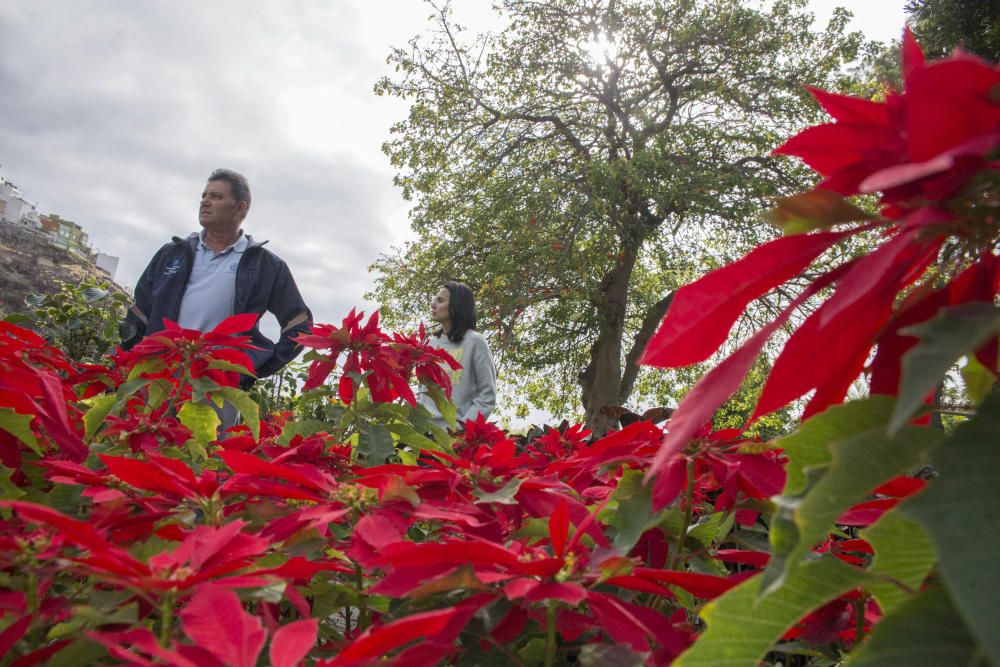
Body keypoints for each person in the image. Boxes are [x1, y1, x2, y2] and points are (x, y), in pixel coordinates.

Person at [121, 168, 311, 417]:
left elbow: (300, 325)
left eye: (216, 196)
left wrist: (251, 368)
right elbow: (139, 314)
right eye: (203, 196)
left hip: (219, 385)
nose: (205, 202)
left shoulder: (266, 265)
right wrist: (135, 361)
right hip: (158, 378)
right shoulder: (172, 253)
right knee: (142, 449)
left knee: (208, 454)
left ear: (240, 208)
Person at [419, 281, 496, 429]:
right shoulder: (430, 343)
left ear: (456, 305)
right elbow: (422, 392)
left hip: (455, 438)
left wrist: (460, 430)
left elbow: (487, 396)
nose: (433, 305)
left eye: (440, 300)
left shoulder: (475, 342)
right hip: (423, 435)